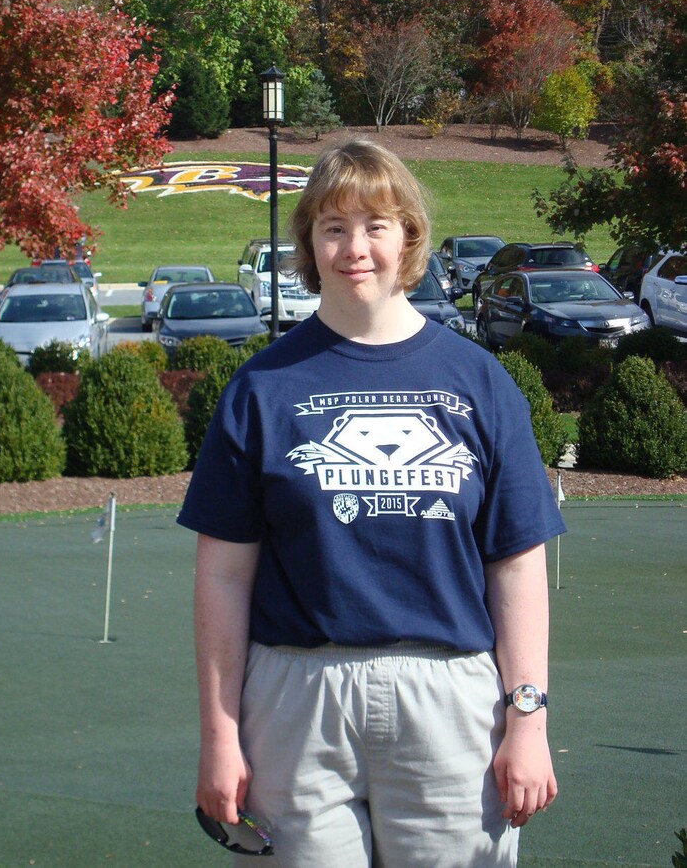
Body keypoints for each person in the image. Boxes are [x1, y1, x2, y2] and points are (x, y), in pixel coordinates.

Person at [177, 140, 564, 866]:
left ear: (409, 237)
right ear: (309, 243)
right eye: (333, 226)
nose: (355, 247)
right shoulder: (261, 390)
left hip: (449, 701)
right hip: (297, 698)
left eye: (376, 224)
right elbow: (223, 577)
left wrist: (529, 719)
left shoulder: (480, 383)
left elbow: (517, 567)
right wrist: (220, 736)